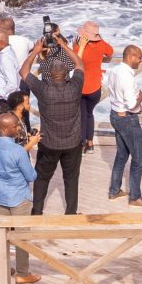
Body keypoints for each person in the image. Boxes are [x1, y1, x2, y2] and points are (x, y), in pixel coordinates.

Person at [26, 44, 86, 215]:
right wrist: (63, 45)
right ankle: (71, 213)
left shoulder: (43, 89)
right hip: (72, 142)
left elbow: (23, 71)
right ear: (67, 72)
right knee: (71, 179)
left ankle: (37, 211)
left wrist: (35, 51)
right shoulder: (75, 87)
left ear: (49, 75)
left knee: (42, 178)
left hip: (49, 143)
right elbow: (79, 64)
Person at [0, 111, 39, 284]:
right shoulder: (18, 151)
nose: (18, 128)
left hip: (0, 195)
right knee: (21, 236)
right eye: (16, 126)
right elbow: (31, 176)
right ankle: (22, 273)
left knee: (3, 236)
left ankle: (5, 269)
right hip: (19, 197)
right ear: (7, 128)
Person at [104, 43, 142, 203]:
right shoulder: (127, 76)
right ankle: (135, 197)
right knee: (139, 158)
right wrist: (140, 98)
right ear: (130, 57)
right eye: (139, 57)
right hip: (127, 119)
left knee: (122, 154)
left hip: (115, 115)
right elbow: (131, 105)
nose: (141, 60)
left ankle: (114, 191)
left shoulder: (114, 70)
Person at [73, 20, 114, 153]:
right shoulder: (101, 44)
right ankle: (90, 144)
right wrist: (99, 41)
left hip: (80, 87)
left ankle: (82, 144)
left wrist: (82, 46)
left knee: (81, 115)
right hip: (95, 87)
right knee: (89, 114)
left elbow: (76, 61)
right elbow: (111, 52)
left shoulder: (78, 46)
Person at [0, 21, 24, 123]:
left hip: (4, 103)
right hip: (2, 102)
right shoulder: (4, 54)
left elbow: (12, 84)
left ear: (1, 42)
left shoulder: (5, 58)